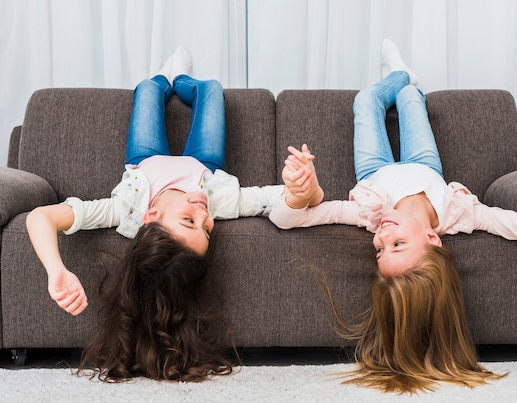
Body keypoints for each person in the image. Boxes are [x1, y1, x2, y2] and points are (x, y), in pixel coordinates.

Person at [270, 39, 517, 393]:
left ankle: (397, 75)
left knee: (365, 101)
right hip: (425, 164)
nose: (381, 237)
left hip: (374, 168)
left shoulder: (368, 214)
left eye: (380, 251)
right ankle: (404, 77)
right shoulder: (461, 213)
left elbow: (286, 219)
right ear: (432, 239)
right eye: (398, 244)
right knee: (409, 97)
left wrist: (299, 195)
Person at [25, 47, 316, 382]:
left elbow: (41, 217)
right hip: (203, 161)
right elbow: (277, 199)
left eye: (188, 221)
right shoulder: (218, 202)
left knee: (149, 89)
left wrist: (56, 269)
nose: (205, 216)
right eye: (206, 230)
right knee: (211, 90)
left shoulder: (126, 209)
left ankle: (167, 78)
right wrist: (299, 189)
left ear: (151, 216)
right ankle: (184, 80)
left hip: (145, 156)